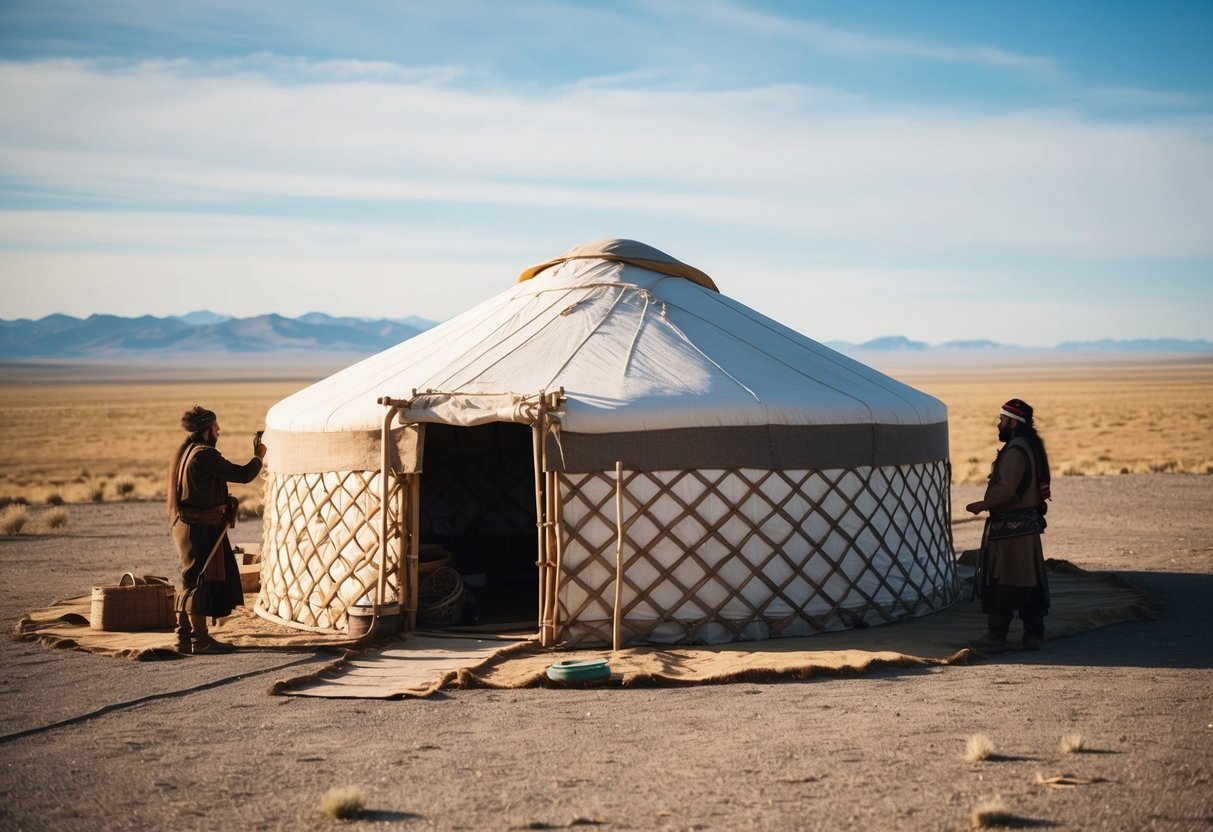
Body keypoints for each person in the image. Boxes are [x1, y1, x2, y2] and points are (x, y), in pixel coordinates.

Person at [167, 406, 266, 654]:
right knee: (197, 580)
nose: (219, 430)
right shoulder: (203, 455)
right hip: (198, 527)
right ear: (205, 432)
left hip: (193, 525)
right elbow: (243, 475)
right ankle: (199, 640)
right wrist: (259, 456)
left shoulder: (188, 451)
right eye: (215, 427)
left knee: (191, 579)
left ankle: (183, 638)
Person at [965, 398, 1052, 650]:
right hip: (1026, 530)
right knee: (1029, 581)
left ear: (1014, 422)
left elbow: (1006, 489)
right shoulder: (1028, 445)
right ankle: (1033, 634)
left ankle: (997, 636)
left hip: (1009, 534)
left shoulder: (1015, 450)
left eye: (1002, 420)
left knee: (1002, 581)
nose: (998, 424)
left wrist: (983, 504)